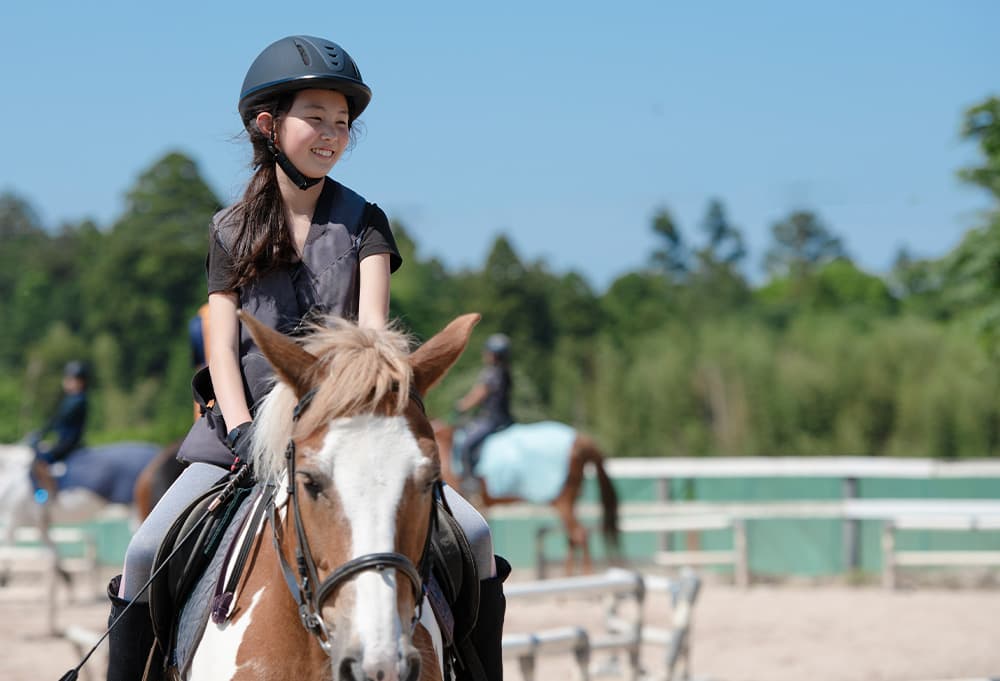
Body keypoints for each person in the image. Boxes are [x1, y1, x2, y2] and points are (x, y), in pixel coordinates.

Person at [105, 35, 506, 681]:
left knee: (477, 535)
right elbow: (221, 343)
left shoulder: (366, 222)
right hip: (236, 435)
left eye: (342, 123)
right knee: (146, 547)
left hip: (342, 429)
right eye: (315, 118)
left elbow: (373, 336)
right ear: (269, 124)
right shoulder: (229, 228)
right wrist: (239, 429)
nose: (331, 134)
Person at [452, 333, 514, 490]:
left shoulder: (491, 373)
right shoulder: (505, 372)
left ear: (494, 355)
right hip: (503, 417)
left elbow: (478, 394)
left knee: (467, 444)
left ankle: (469, 480)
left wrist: (462, 405)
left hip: (492, 419)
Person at [28, 360, 90, 503]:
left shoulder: (78, 400)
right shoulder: (72, 398)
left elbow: (57, 419)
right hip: (65, 440)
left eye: (72, 379)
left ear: (80, 382)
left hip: (68, 444)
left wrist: (40, 433)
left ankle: (45, 495)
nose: (67, 382)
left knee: (39, 460)